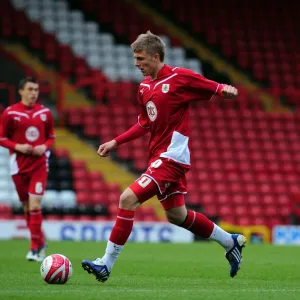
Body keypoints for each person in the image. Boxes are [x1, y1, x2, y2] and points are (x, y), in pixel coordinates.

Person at [82, 31, 246, 281]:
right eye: (135, 58)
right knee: (176, 215)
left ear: (155, 56)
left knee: (127, 199)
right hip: (159, 157)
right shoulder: (144, 87)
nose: (136, 63)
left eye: (140, 58)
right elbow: (145, 123)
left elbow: (213, 86)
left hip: (171, 157)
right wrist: (116, 142)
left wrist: (226, 90)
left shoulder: (180, 77)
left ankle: (106, 263)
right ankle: (229, 241)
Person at [0, 77, 55, 262]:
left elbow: (51, 137)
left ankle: (34, 248)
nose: (33, 93)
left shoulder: (45, 113)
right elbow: (2, 138)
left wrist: (44, 147)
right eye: (30, 89)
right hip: (18, 166)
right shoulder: (10, 113)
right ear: (21, 91)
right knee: (26, 208)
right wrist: (18, 147)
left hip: (39, 165)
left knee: (35, 206)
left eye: (36, 90)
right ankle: (40, 241)